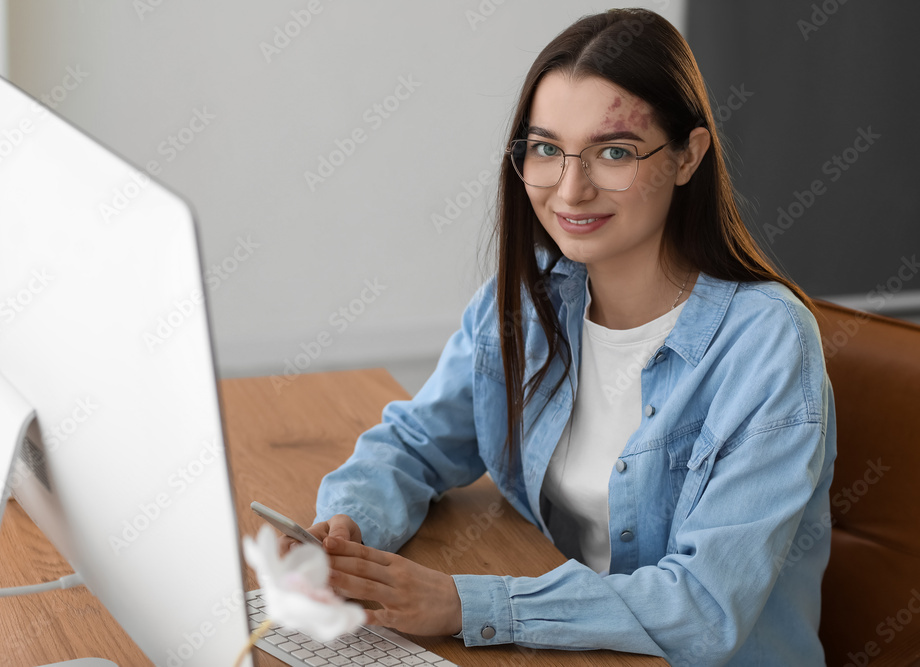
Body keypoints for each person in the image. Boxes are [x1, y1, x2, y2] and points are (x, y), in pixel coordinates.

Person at [297, 8, 836, 665]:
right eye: (547, 149)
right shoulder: (529, 298)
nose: (571, 190)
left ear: (689, 155)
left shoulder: (769, 344)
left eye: (614, 152)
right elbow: (416, 442)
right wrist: (351, 526)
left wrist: (467, 603)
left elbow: (705, 606)